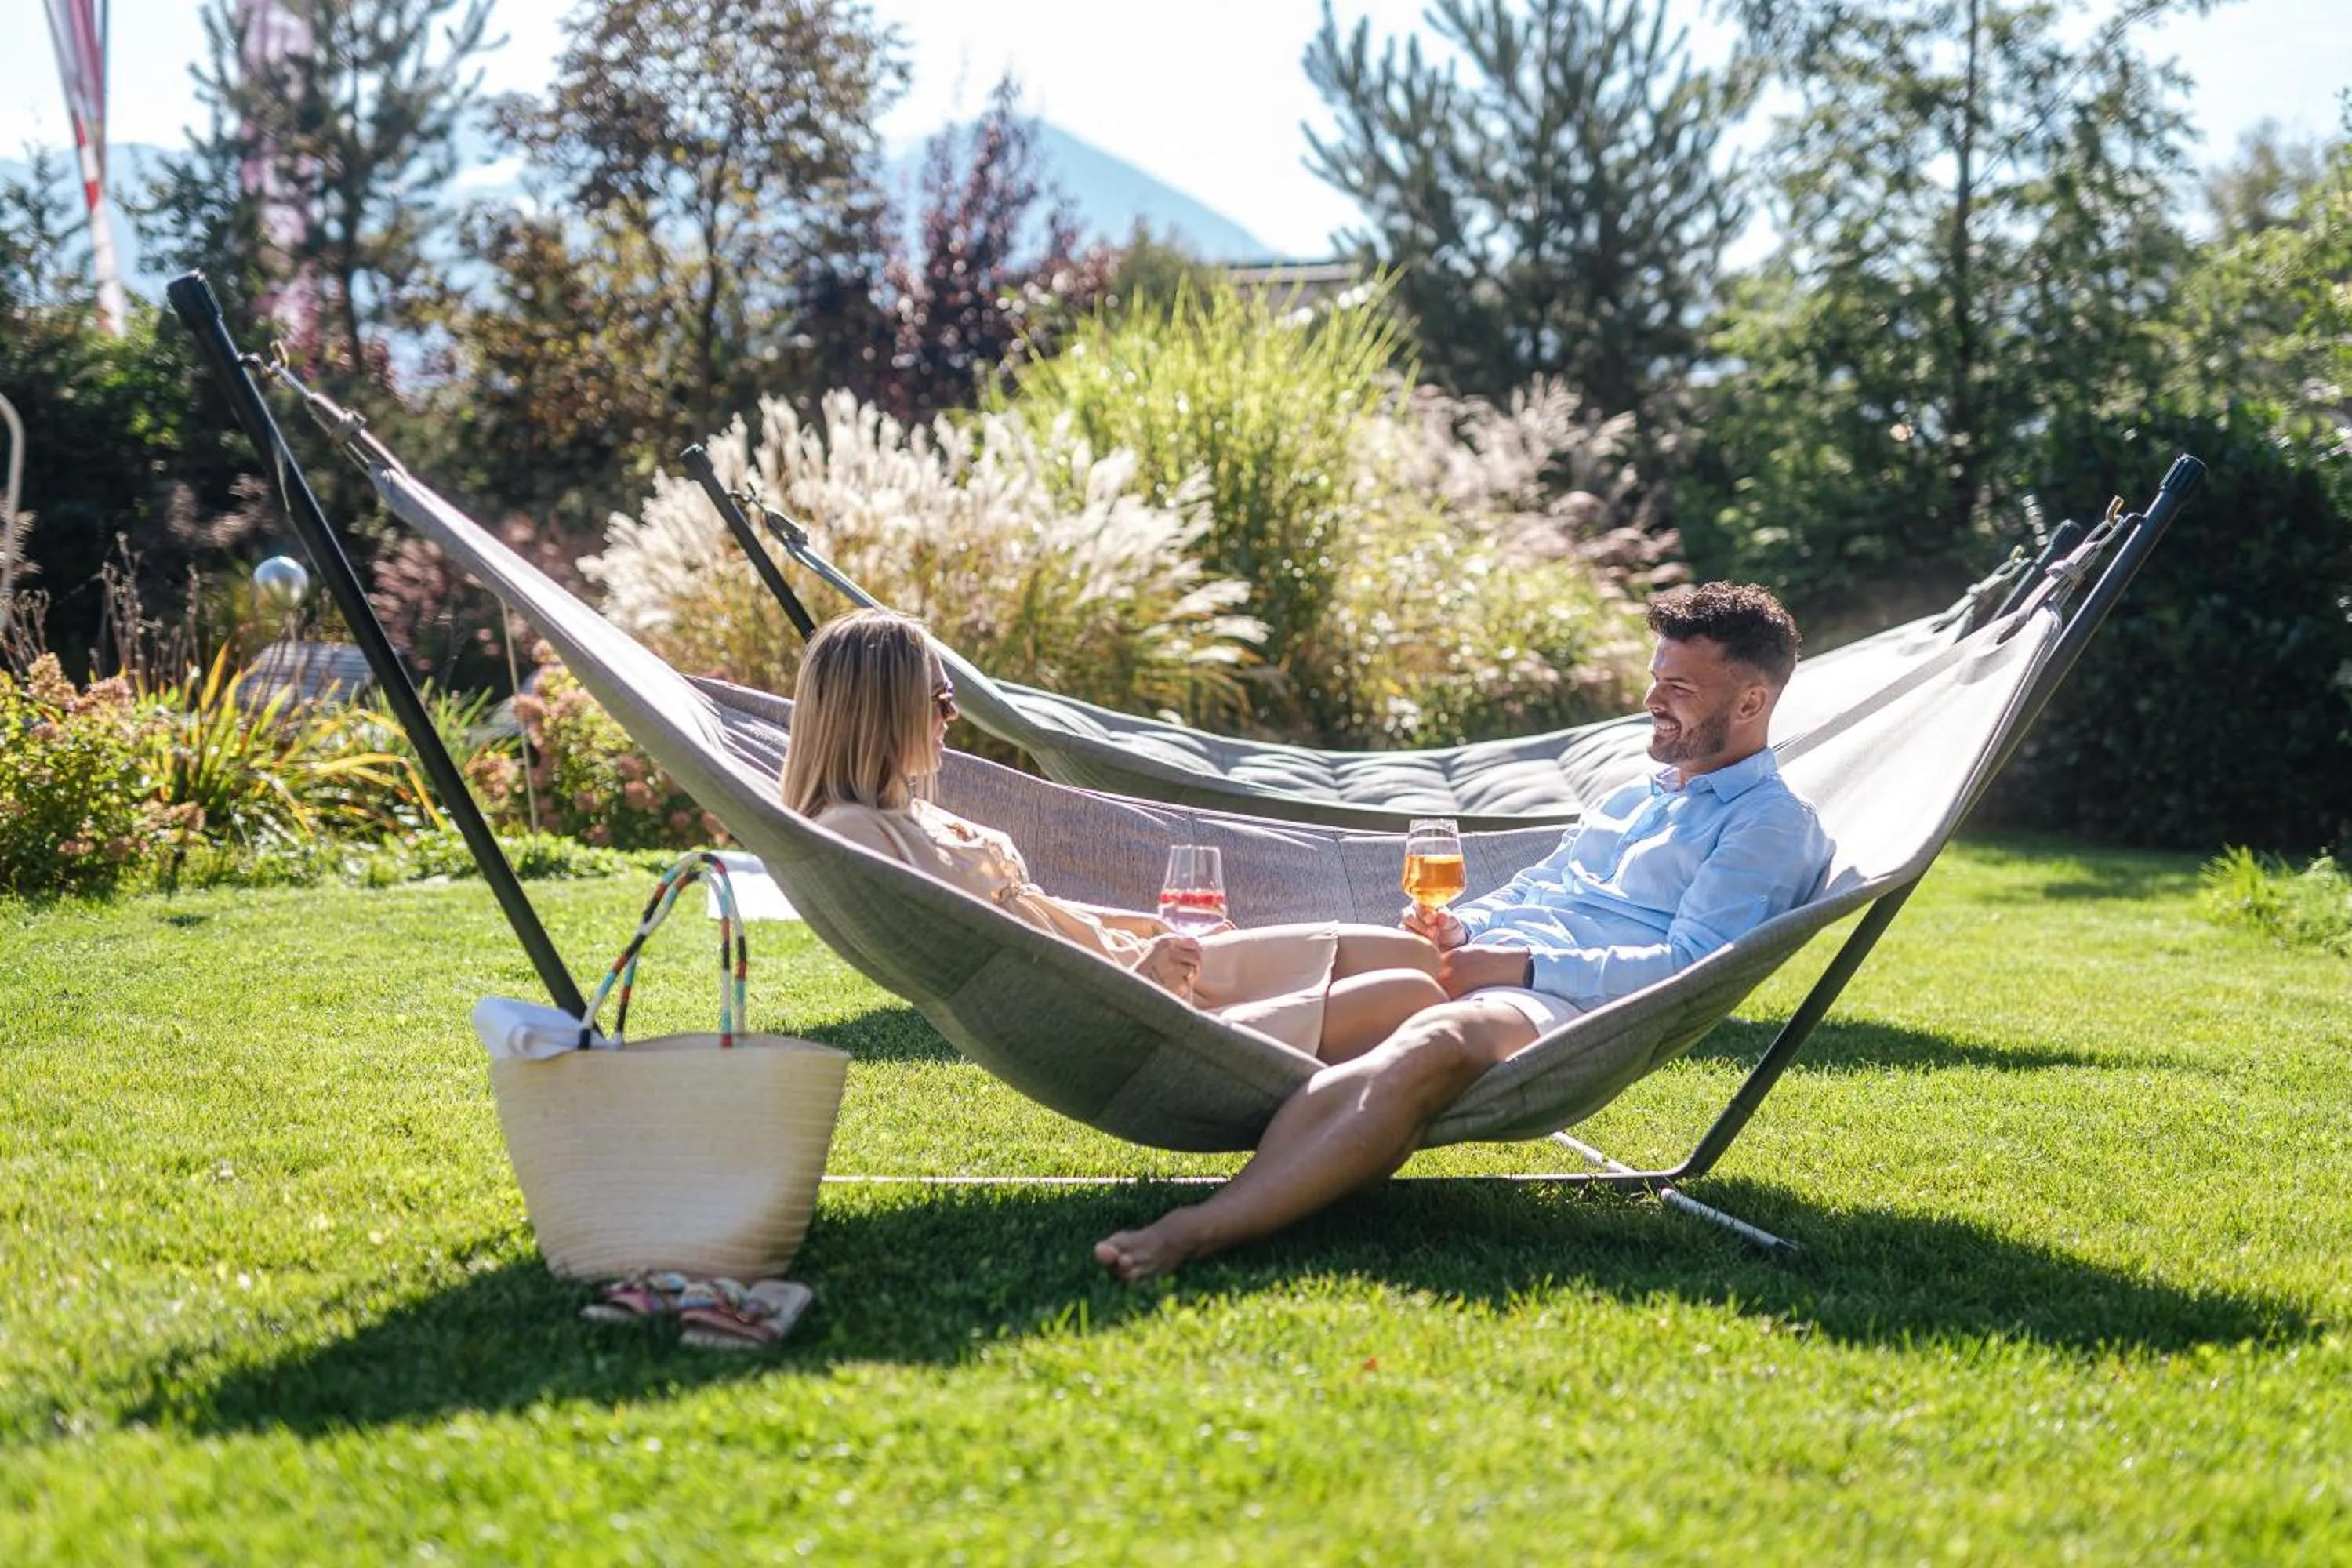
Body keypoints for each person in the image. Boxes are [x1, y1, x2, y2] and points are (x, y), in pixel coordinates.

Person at [1094, 582, 1834, 1282]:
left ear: (1751, 701)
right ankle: (1142, 985)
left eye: (1678, 689)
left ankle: (1205, 1224)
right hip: (1501, 959)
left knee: (1435, 1038)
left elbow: (1693, 963)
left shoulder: (1766, 824)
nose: (1651, 702)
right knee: (1378, 959)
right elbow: (1542, 884)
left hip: (1566, 1001)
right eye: (1654, 679)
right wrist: (1463, 924)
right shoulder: (1634, 793)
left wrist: (1522, 968)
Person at [782, 608, 1450, 1064]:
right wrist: (1138, 976)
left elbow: (1030, 912)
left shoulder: (906, 813)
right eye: (941, 700)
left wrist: (1150, 931)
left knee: (1413, 958)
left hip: (1140, 964)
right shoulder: (855, 834)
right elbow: (987, 967)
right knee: (1415, 996)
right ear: (882, 709)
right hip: (1122, 1010)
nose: (951, 717)